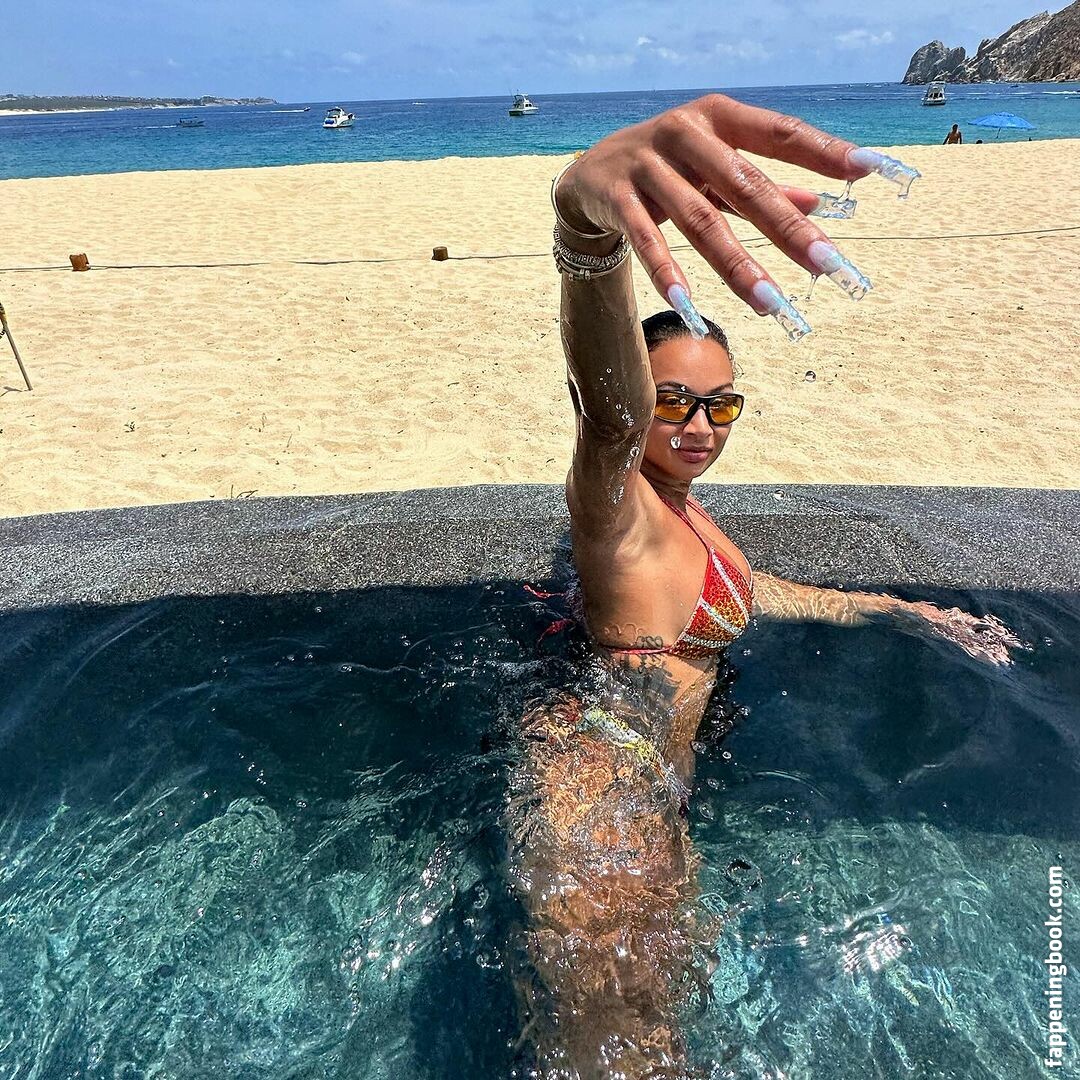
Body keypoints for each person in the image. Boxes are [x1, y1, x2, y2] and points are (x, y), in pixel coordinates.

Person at [507, 94, 1021, 1079]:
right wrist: (586, 234)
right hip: (600, 787)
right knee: (623, 1049)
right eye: (674, 401)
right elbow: (607, 415)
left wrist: (900, 611)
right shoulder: (620, 507)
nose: (700, 426)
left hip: (650, 794)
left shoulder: (690, 517)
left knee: (660, 1035)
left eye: (723, 404)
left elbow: (757, 589)